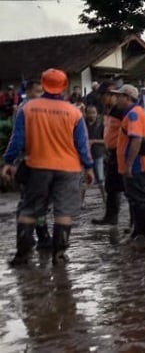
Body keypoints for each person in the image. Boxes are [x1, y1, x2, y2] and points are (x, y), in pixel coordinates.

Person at [2, 69, 94, 266]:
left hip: (37, 166)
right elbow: (82, 145)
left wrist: (9, 162)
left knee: (29, 210)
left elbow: (17, 140)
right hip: (68, 169)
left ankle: (22, 256)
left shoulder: (27, 109)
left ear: (43, 85)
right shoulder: (74, 112)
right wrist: (89, 167)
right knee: (63, 212)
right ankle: (59, 256)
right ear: (64, 86)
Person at [111, 84, 145, 242]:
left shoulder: (133, 115)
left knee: (138, 199)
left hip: (137, 165)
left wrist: (129, 164)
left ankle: (144, 233)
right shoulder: (133, 113)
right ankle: (138, 231)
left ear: (128, 98)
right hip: (135, 164)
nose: (117, 99)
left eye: (120, 96)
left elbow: (136, 139)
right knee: (135, 198)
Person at [13, 79, 51, 250]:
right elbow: (19, 138)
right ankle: (32, 237)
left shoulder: (37, 108)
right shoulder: (25, 109)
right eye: (37, 91)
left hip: (40, 159)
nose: (40, 95)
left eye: (42, 91)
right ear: (28, 92)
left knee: (37, 201)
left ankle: (36, 235)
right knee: (31, 201)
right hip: (30, 160)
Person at [91, 82, 127, 227]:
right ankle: (111, 216)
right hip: (112, 152)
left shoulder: (121, 111)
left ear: (111, 95)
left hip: (121, 152)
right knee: (111, 187)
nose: (101, 99)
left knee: (125, 187)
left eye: (103, 96)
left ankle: (132, 222)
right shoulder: (109, 110)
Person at [83, 105, 107, 206]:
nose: (91, 115)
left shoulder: (101, 125)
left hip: (98, 154)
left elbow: (106, 140)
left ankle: (105, 199)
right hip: (85, 155)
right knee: (84, 180)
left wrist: (93, 141)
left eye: (93, 112)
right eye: (89, 112)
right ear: (86, 113)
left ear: (97, 114)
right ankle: (81, 201)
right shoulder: (82, 124)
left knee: (101, 179)